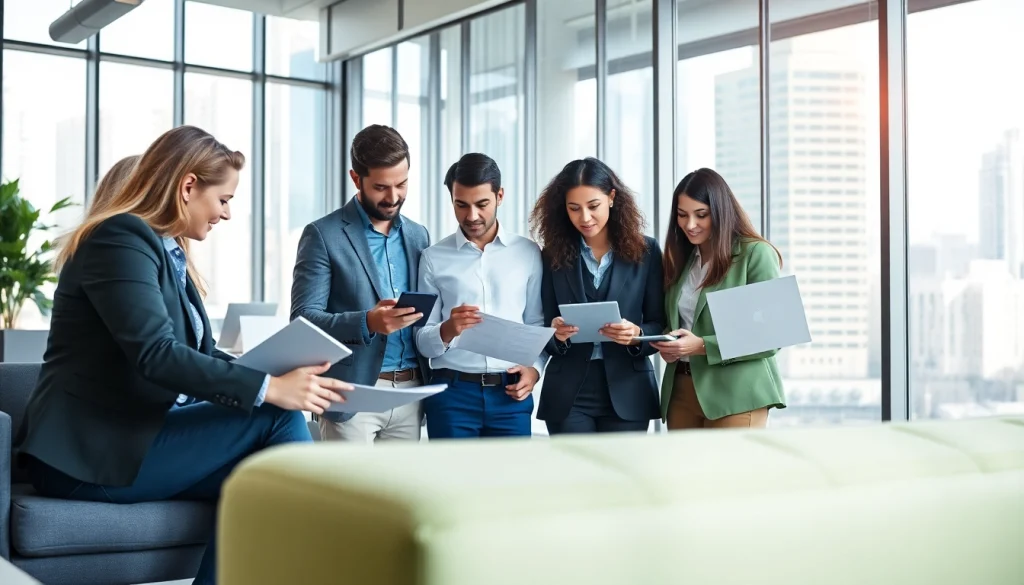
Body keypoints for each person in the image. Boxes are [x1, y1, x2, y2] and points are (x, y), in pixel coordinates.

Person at [14, 125, 351, 585]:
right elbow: (156, 354)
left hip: (138, 434)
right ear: (189, 186)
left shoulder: (166, 252)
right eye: (224, 199)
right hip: (89, 454)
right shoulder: (119, 237)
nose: (227, 213)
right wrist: (270, 388)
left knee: (263, 484)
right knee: (275, 417)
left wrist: (279, 371)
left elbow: (201, 352)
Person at [291, 124, 431, 443]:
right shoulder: (323, 235)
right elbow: (302, 321)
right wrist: (368, 322)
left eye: (402, 184)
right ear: (356, 179)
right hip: (350, 393)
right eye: (381, 187)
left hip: (411, 392)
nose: (393, 197)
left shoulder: (418, 235)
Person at [529, 158, 664, 434]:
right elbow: (543, 327)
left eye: (593, 206)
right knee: (574, 465)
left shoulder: (647, 252)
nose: (585, 218)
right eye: (574, 208)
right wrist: (556, 334)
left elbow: (661, 324)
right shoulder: (552, 255)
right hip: (568, 394)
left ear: (611, 198)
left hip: (629, 389)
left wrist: (637, 334)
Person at [415, 153, 546, 438]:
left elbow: (536, 324)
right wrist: (448, 329)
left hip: (511, 395)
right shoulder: (433, 258)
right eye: (461, 205)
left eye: (482, 204)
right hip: (451, 396)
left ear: (500, 196)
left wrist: (535, 370)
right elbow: (421, 340)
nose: (472, 216)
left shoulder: (528, 253)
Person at [651, 168, 786, 430]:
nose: (690, 224)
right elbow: (681, 321)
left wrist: (701, 346)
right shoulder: (681, 259)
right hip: (682, 390)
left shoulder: (755, 254)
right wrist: (670, 343)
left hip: (737, 392)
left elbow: (772, 335)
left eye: (701, 214)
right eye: (682, 215)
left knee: (730, 460)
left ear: (721, 212)